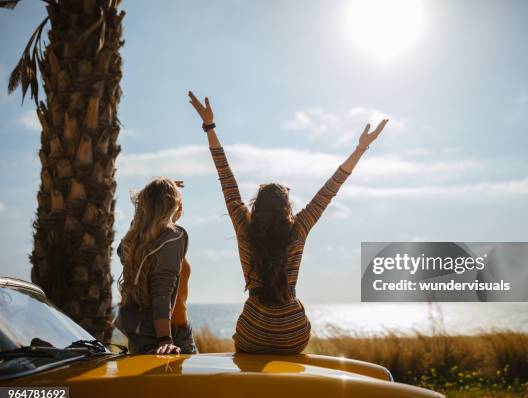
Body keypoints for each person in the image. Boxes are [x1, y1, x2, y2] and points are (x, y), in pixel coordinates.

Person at [189, 91, 388, 354]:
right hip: (292, 331)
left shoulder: (244, 227)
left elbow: (225, 176)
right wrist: (361, 148)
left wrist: (209, 127)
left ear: (257, 206)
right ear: (286, 208)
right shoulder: (299, 229)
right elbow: (331, 187)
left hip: (253, 329)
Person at [115, 177, 197, 354]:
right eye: (179, 200)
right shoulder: (173, 238)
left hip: (142, 335)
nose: (183, 206)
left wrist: (155, 193)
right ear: (172, 205)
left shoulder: (137, 241)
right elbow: (162, 292)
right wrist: (165, 340)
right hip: (170, 337)